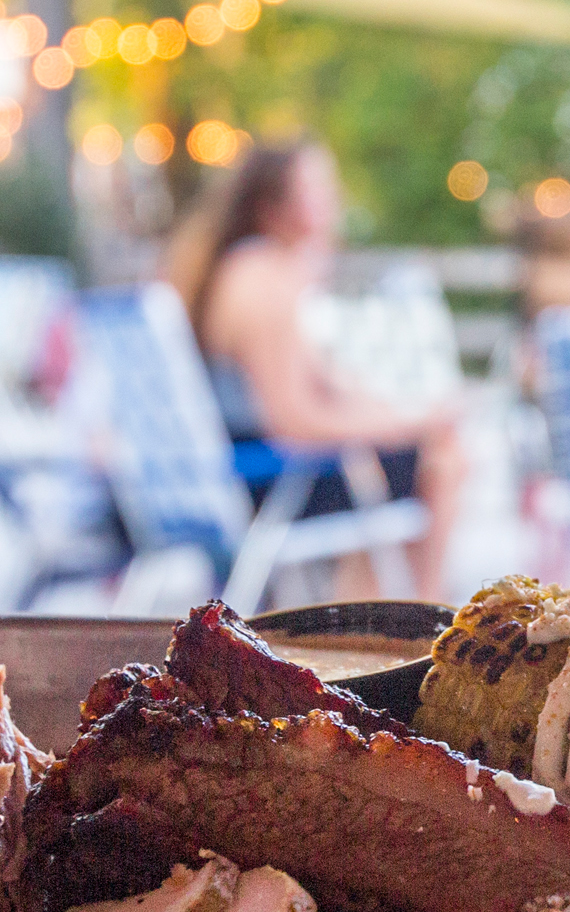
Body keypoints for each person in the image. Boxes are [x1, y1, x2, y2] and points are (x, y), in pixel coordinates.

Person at [167, 142, 463, 598]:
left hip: (238, 479)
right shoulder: (266, 283)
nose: (334, 198)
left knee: (404, 459)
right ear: (274, 208)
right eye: (318, 188)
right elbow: (293, 423)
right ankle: (423, 626)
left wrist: (403, 418)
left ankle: (382, 624)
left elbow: (330, 385)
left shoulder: (239, 269)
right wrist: (413, 424)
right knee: (442, 460)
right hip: (271, 490)